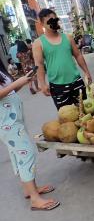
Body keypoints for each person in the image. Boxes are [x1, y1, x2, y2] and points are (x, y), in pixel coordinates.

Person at [0, 61, 60, 211]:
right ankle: (35, 199)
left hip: (15, 119)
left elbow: (9, 91)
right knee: (26, 154)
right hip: (7, 123)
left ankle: (29, 190)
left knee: (18, 154)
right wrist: (16, 83)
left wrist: (23, 81)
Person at [32, 9, 92, 109]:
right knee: (67, 118)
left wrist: (87, 72)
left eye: (54, 20)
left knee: (86, 111)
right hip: (58, 87)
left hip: (76, 82)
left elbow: (78, 55)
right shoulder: (38, 43)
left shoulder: (68, 38)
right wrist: (42, 84)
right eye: (49, 21)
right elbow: (39, 64)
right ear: (42, 24)